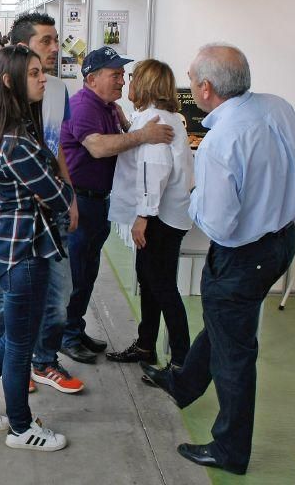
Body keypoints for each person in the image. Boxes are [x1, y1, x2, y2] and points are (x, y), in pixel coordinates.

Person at [140, 44, 295, 476]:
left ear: (205, 88)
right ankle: (183, 384)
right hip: (281, 242)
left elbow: (218, 224)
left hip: (242, 255)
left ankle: (230, 449)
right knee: (224, 323)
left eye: (192, 78)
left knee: (235, 353)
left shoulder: (221, 140)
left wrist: (193, 197)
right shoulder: (279, 107)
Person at [0, 46, 73, 451]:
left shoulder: (17, 129)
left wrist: (51, 189)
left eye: (43, 71)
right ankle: (21, 428)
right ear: (10, 81)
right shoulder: (16, 141)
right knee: (21, 345)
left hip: (21, 249)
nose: (44, 78)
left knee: (14, 338)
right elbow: (58, 194)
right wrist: (56, 189)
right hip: (21, 253)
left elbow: (52, 189)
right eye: (34, 72)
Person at [0, 13, 85, 397]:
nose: (55, 49)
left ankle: (43, 359)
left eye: (55, 41)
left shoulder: (58, 91)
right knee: (7, 299)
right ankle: (12, 364)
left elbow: (57, 147)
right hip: (16, 219)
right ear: (23, 50)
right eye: (46, 41)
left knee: (57, 295)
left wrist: (71, 196)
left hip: (49, 214)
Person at [59, 46, 175, 365]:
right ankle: (67, 335)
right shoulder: (83, 106)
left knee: (88, 270)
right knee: (76, 272)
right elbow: (97, 148)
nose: (122, 80)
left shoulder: (107, 106)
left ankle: (75, 327)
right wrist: (143, 135)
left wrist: (129, 125)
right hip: (80, 202)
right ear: (92, 78)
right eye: (116, 74)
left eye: (123, 74)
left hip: (97, 204)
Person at [106, 60, 193, 367]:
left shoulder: (156, 120)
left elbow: (155, 172)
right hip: (167, 215)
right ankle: (146, 345)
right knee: (150, 279)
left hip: (161, 219)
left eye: (131, 79)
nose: (126, 84)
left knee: (162, 286)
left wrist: (143, 217)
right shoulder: (160, 118)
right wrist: (126, 124)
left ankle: (182, 360)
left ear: (145, 85)